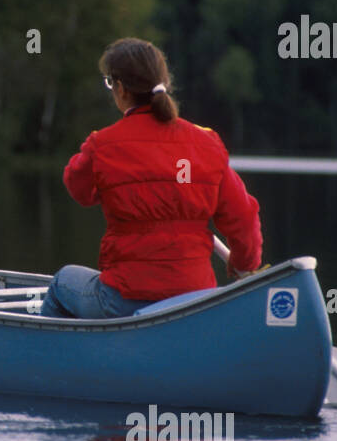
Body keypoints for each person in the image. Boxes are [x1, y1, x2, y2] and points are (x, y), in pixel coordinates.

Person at [40, 37, 262, 319]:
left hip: (124, 299)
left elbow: (79, 188)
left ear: (120, 88)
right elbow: (244, 218)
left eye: (110, 83)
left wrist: (99, 159)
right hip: (195, 300)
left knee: (62, 282)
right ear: (164, 83)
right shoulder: (207, 143)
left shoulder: (104, 145)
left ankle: (55, 360)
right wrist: (244, 262)